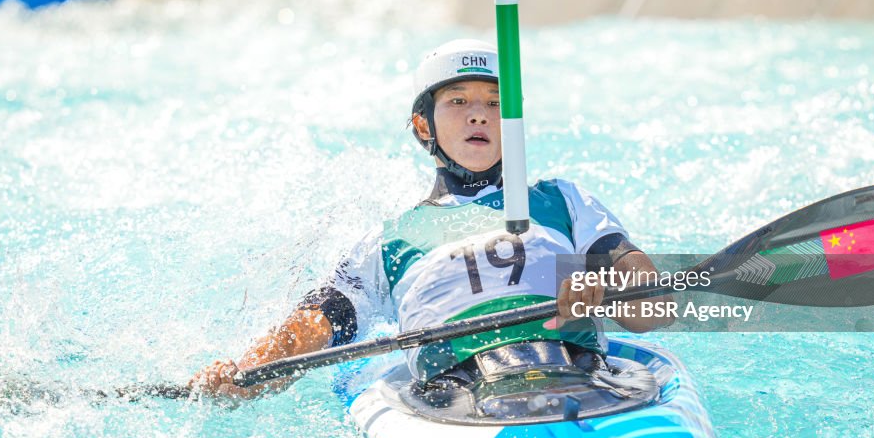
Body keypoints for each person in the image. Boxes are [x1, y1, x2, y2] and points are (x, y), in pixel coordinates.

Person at [189, 39, 672, 401]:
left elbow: (655, 312)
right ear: (424, 125)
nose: (479, 116)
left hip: (582, 378)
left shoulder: (562, 201)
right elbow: (316, 325)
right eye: (459, 102)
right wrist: (249, 370)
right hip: (457, 397)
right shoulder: (389, 241)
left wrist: (610, 293)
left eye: (496, 103)